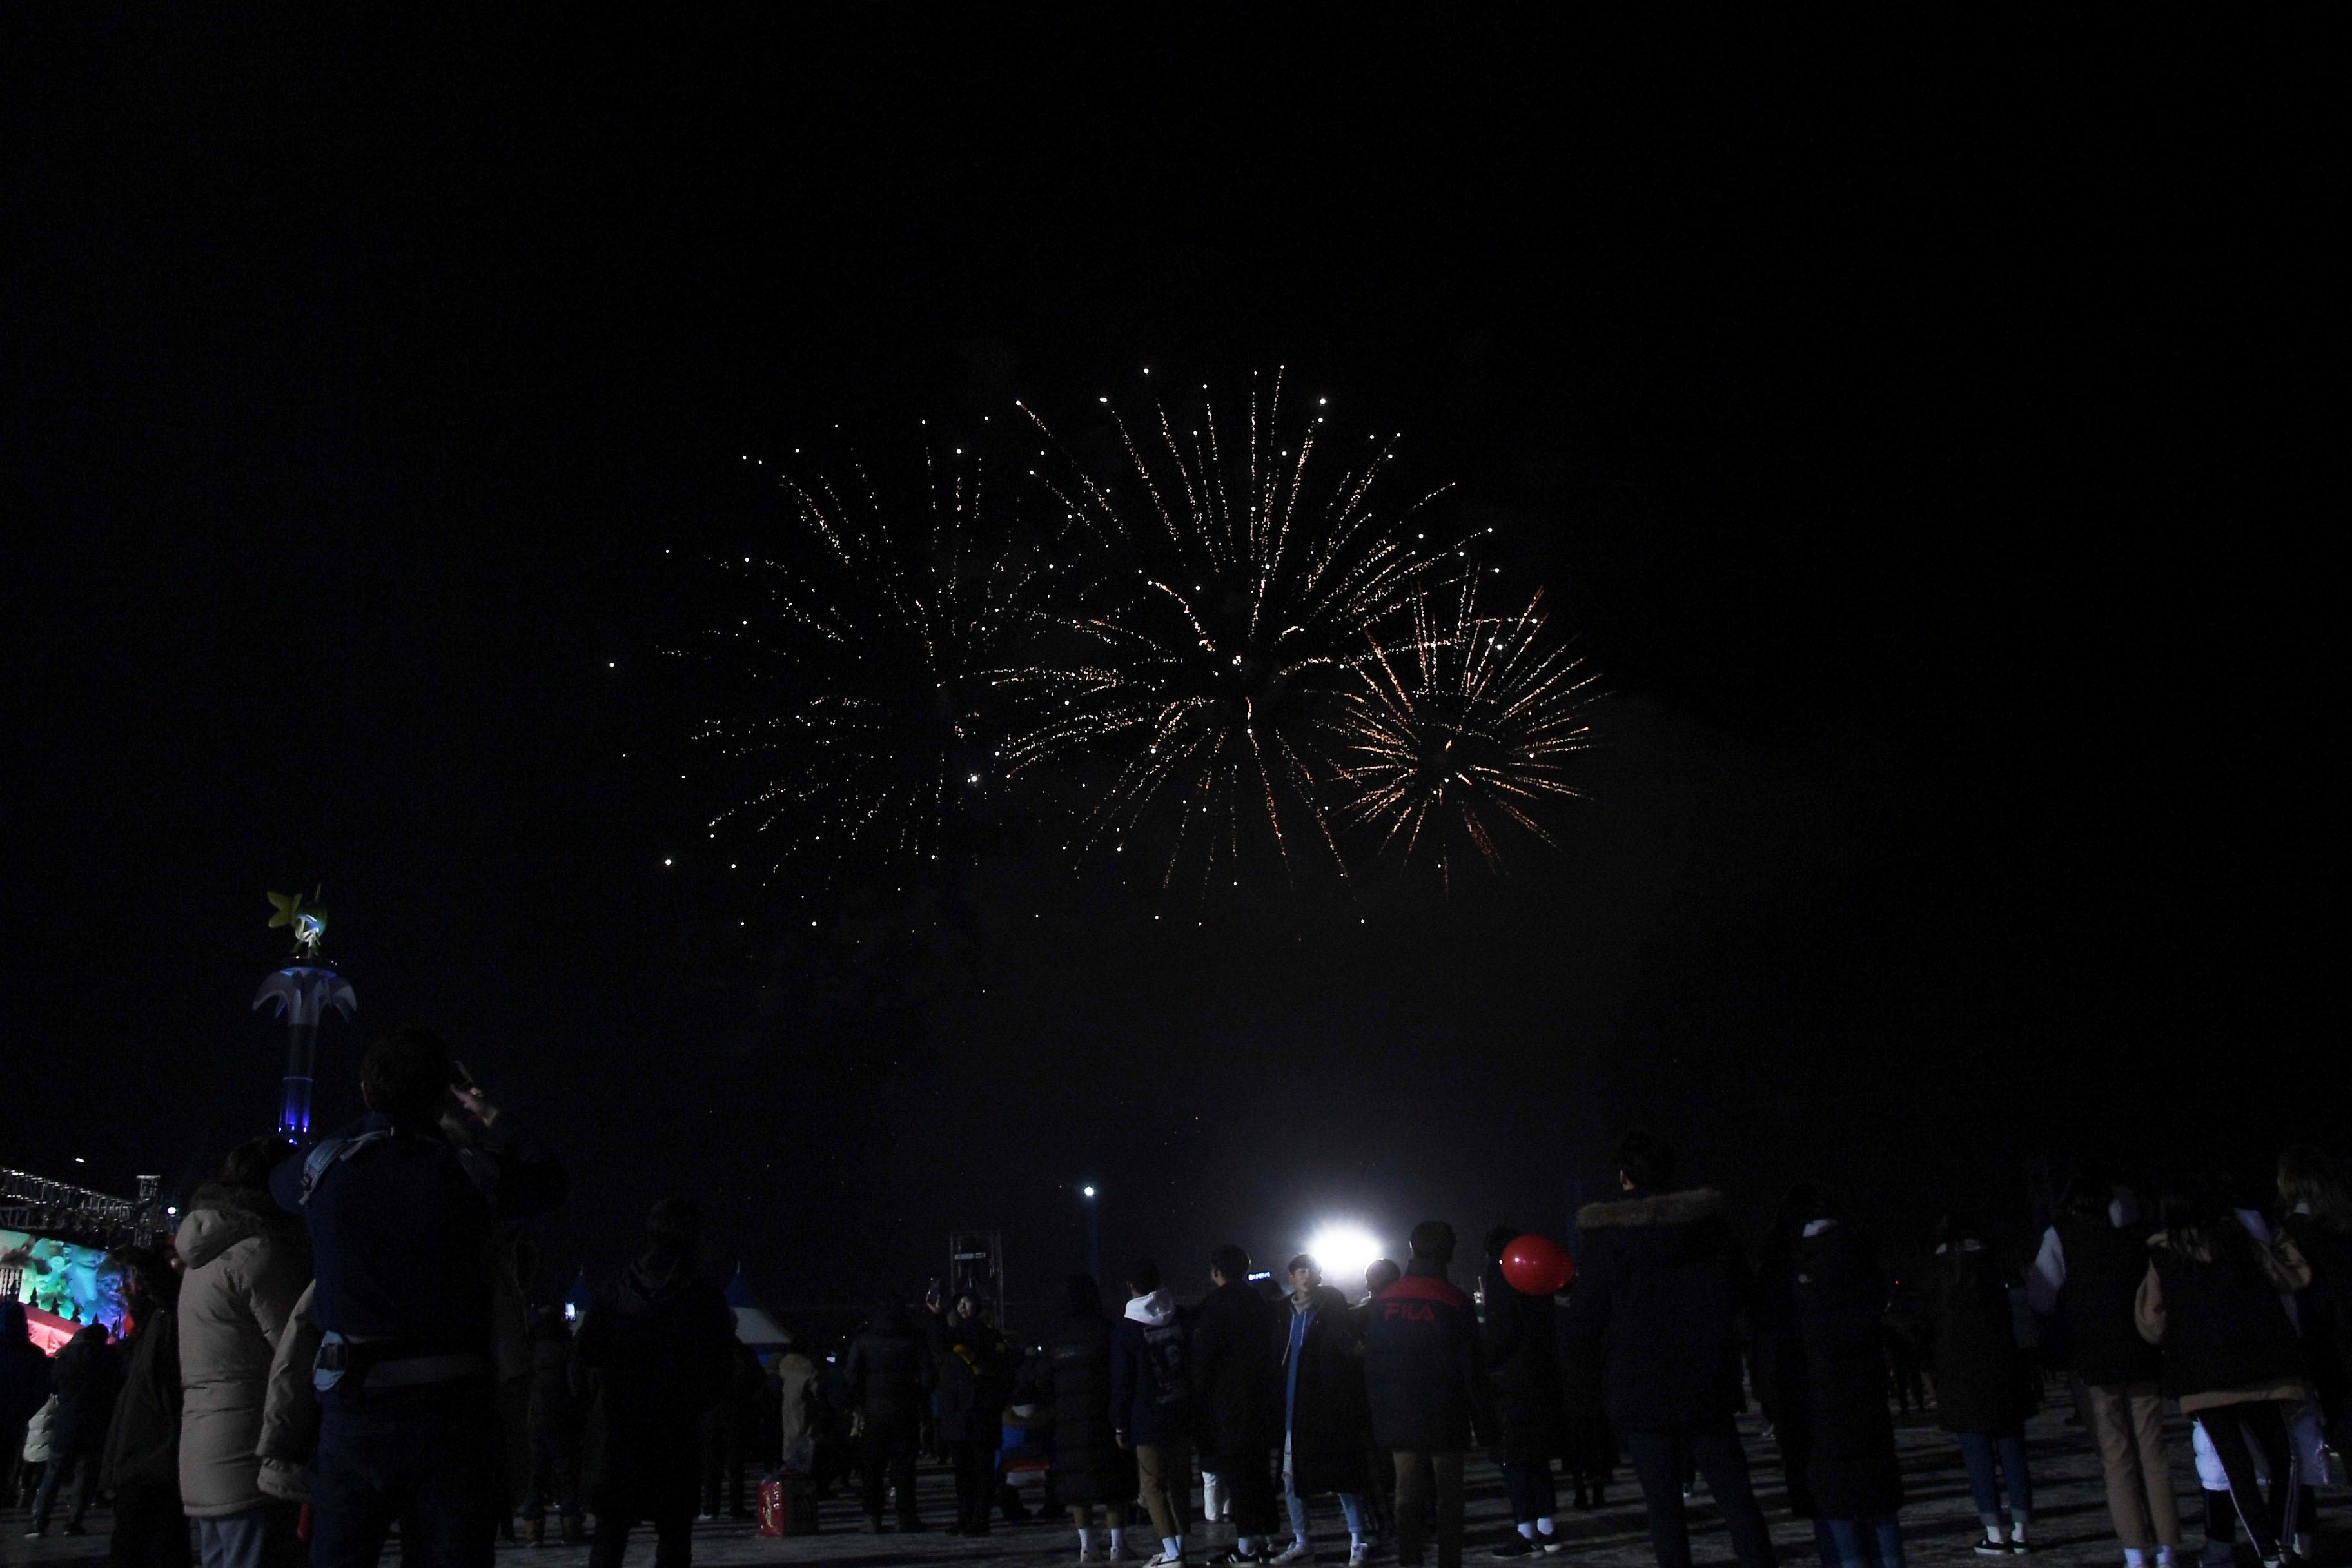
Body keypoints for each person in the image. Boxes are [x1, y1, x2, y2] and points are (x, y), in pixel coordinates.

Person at [268, 1026, 567, 1568]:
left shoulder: (324, 1171)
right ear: (441, 1095)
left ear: (364, 1090)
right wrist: (486, 1111)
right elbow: (549, 1178)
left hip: (353, 1410)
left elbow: (275, 1185)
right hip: (452, 1414)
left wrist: (377, 1116)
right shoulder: (468, 1175)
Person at [1563, 1131, 1778, 1568]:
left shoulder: (1607, 1240)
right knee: (1736, 1497)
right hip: (1705, 1381)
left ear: (1625, 1178)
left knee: (1663, 1508)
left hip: (1640, 1388)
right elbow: (1742, 1292)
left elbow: (1585, 1321)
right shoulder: (1708, 1229)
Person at [2137, 1178, 2313, 1568]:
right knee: (2284, 1459)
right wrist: (2280, 1243)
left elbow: (2151, 1323)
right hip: (2261, 1368)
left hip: (2203, 1377)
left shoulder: (2164, 1255)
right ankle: (2283, 1546)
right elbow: (2293, 1279)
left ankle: (2267, 1555)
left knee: (2237, 1472)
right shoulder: (2243, 1243)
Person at [573, 1197, 737, 1568]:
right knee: (674, 1537)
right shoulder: (702, 1296)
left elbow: (587, 1352)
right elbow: (720, 1367)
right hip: (673, 1429)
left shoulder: (616, 1289)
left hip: (620, 1426)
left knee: (610, 1535)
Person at [2026, 1169, 2179, 1568]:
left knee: (2117, 1458)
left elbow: (2041, 1296)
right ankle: (2167, 1549)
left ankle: (2134, 1552)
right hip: (2143, 1352)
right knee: (2154, 1455)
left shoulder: (2062, 1235)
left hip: (2092, 1358)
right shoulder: (2140, 1231)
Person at [175, 1137, 311, 1568]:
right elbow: (296, 1349)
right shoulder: (260, 1254)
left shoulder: (205, 1256)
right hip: (252, 1454)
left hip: (206, 1450)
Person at [1362, 1221, 1491, 1568]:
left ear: (1411, 1248)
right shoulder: (1454, 1301)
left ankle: (1410, 1561)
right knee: (1450, 1498)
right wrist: (1489, 1428)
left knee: (1406, 1496)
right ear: (1448, 1252)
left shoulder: (1386, 1300)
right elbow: (1473, 1372)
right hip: (1445, 1415)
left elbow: (1372, 1365)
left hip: (1398, 1415)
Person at [1789, 1194, 1905, 1568]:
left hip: (1820, 1393)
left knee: (1836, 1498)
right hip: (1867, 1389)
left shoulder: (1798, 1265)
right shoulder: (1861, 1256)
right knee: (1880, 1498)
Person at [1923, 1215, 2038, 1556]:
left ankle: (1994, 1531)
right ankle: (2021, 1531)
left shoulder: (1937, 1272)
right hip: (2002, 1367)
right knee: (2013, 1453)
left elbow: (1927, 1327)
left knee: (1977, 1459)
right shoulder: (1993, 1265)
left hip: (1959, 1375)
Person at [1272, 1255, 1374, 1566]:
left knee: (1343, 1475)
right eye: (1300, 1271)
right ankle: (1302, 1539)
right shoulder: (1282, 1312)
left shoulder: (1332, 1305)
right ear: (1291, 1277)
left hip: (1329, 1405)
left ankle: (1358, 1539)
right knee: (1291, 1479)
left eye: (1310, 1270)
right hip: (1292, 1407)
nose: (1306, 1276)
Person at [1192, 1243, 1282, 1564]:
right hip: (1261, 1399)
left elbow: (1204, 1361)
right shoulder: (1259, 1302)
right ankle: (1268, 1538)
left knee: (1240, 1477)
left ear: (1216, 1272)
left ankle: (1246, 1546)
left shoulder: (1213, 1306)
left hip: (1228, 1404)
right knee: (1260, 1473)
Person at [1482, 1228, 1567, 1558]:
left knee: (1514, 1460)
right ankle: (1548, 1528)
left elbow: (1501, 1335)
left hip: (1512, 1385)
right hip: (1543, 1380)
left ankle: (1526, 1530)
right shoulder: (1538, 1280)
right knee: (1538, 1459)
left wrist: (1487, 1362)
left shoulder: (1501, 1278)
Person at [103, 1248, 190, 1568]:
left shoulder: (173, 1319)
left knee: (149, 1543)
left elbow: (173, 1297)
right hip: (142, 1456)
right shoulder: (154, 1324)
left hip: (153, 1458)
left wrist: (150, 1264)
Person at [1113, 1258, 1196, 1568]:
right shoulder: (1180, 1316)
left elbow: (1122, 1382)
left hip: (1146, 1417)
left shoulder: (1126, 1329)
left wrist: (1119, 1424)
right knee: (1179, 1482)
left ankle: (1171, 1552)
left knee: (1152, 1484)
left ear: (1131, 1287)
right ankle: (1182, 1545)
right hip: (1182, 1411)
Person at [1046, 1274, 1135, 1563]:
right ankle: (1117, 1545)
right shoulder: (1107, 1331)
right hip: (1104, 1418)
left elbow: (1042, 1380)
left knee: (1077, 1485)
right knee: (1113, 1484)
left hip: (1069, 1422)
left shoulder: (1057, 1338)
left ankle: (1087, 1545)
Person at [843, 1293, 933, 1532]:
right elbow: (927, 1375)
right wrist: (918, 1396)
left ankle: (872, 1516)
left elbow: (851, 1376)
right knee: (904, 1467)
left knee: (872, 1468)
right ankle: (905, 1516)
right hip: (905, 1409)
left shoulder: (863, 1340)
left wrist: (860, 1400)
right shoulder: (913, 1338)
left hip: (873, 1411)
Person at [28, 1322, 121, 1538]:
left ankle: (40, 1522)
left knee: (53, 1474)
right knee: (85, 1474)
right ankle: (73, 1522)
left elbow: (53, 1386)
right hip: (94, 1425)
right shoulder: (108, 1361)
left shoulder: (66, 1358)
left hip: (66, 1423)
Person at [937, 1289, 1011, 1537]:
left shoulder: (987, 1335)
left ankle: (979, 1520)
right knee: (964, 1473)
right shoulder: (953, 1337)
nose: (962, 1306)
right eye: (958, 1302)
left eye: (966, 1301)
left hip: (980, 1411)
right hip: (960, 1413)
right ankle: (966, 1518)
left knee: (980, 1471)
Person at [522, 1303, 583, 1545]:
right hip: (560, 1417)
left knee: (535, 1474)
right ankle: (570, 1527)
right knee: (566, 1474)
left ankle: (533, 1529)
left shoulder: (531, 1348)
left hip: (534, 1417)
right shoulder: (567, 1348)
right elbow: (575, 1385)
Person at [0, 1302, 52, 1509]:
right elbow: (41, 1391)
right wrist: (23, 1413)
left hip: (13, 1417)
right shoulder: (34, 1355)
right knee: (7, 1463)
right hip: (14, 1420)